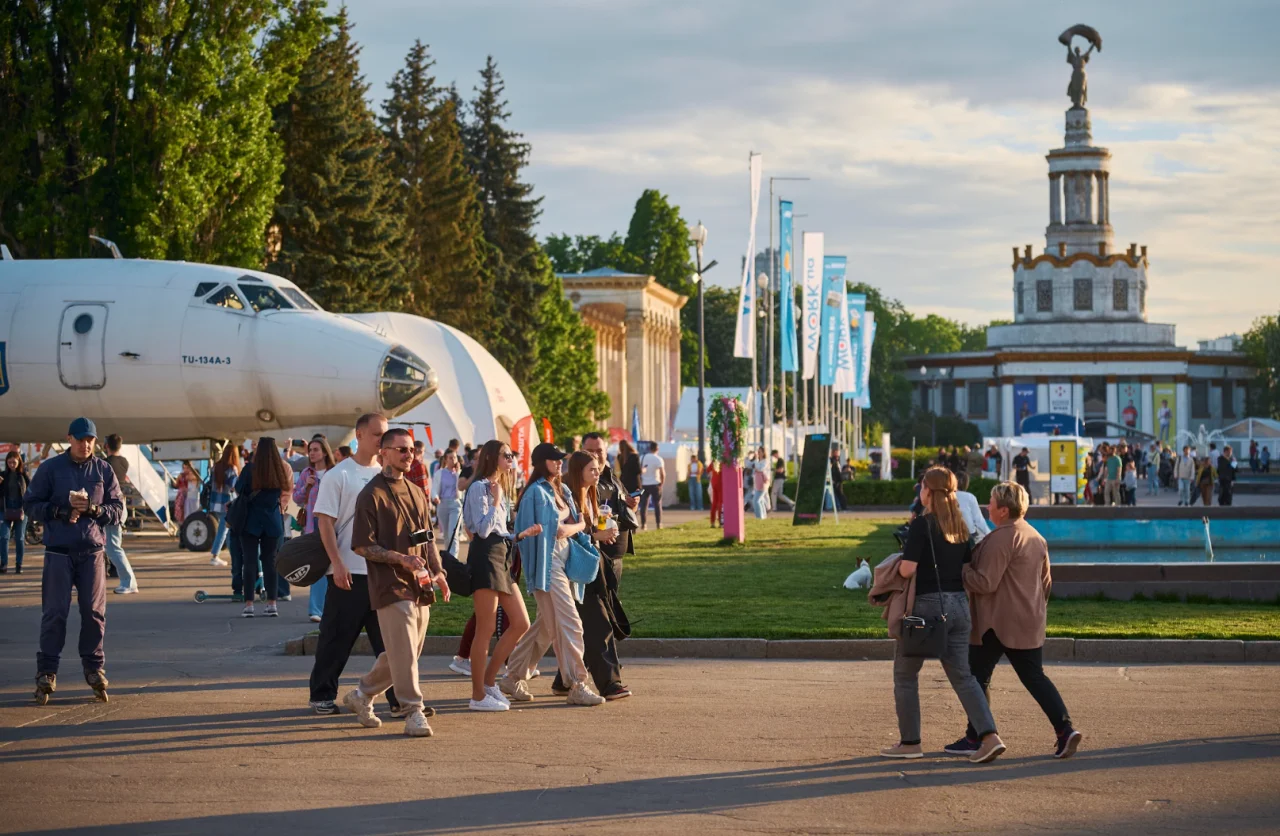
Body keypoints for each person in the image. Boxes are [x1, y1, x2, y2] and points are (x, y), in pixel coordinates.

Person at [946, 481, 1083, 760]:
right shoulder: (1035, 536)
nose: (987, 507)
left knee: (976, 678)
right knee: (1034, 676)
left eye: (992, 503)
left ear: (1004, 510)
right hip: (1028, 620)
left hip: (995, 624)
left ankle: (979, 737)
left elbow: (985, 582)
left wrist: (960, 570)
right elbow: (1046, 583)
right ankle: (1065, 729)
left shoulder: (1001, 538)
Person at [879, 467, 1005, 764]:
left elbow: (909, 569)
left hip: (926, 608)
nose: (919, 491)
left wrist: (893, 568)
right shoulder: (961, 526)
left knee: (906, 675)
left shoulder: (923, 524)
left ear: (929, 491)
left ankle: (910, 742)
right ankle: (989, 737)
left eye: (922, 486)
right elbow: (965, 562)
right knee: (963, 676)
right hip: (959, 607)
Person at [342, 427, 451, 738]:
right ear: (384, 452)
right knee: (403, 649)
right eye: (401, 450)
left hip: (420, 583)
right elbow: (362, 546)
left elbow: (427, 538)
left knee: (405, 652)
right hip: (389, 584)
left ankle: (362, 695)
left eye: (412, 450)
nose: (409, 455)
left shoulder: (417, 492)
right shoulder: (371, 494)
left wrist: (439, 571)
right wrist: (401, 559)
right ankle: (413, 710)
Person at [308, 413, 402, 717]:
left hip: (382, 575)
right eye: (377, 435)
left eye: (385, 435)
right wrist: (336, 564)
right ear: (359, 435)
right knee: (335, 639)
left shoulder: (389, 476)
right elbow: (324, 522)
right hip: (347, 574)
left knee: (392, 646)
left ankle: (402, 700)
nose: (382, 441)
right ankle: (322, 694)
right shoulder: (340, 475)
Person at [26, 417, 124, 704]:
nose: (86, 444)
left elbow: (118, 509)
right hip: (58, 552)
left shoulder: (103, 469)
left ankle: (94, 668)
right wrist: (58, 511)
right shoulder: (51, 469)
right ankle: (47, 672)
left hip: (91, 552)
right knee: (55, 613)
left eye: (90, 439)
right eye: (80, 439)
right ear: (69, 438)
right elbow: (30, 504)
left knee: (94, 613)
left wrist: (94, 509)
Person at [502, 443, 607, 706]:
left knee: (546, 628)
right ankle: (577, 683)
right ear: (541, 462)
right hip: (547, 563)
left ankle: (513, 675)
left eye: (561, 460)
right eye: (554, 460)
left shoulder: (562, 489)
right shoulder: (534, 494)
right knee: (570, 622)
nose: (559, 463)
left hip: (563, 558)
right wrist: (569, 527)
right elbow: (539, 534)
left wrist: (570, 527)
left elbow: (577, 523)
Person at [461, 439, 535, 711]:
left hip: (501, 554)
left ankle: (489, 682)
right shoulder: (480, 487)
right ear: (493, 458)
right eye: (507, 455)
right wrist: (494, 502)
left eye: (512, 455)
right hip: (485, 556)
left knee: (521, 622)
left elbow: (498, 530)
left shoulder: (496, 488)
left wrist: (520, 535)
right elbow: (480, 530)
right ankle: (478, 694)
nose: (511, 459)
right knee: (486, 628)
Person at [565, 432, 636, 700]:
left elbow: (596, 524)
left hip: (595, 566)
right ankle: (610, 683)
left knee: (556, 629)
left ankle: (563, 679)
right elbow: (565, 532)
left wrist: (607, 528)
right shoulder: (569, 495)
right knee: (598, 624)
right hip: (577, 569)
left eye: (599, 466)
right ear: (579, 470)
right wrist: (596, 535)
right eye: (592, 468)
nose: (598, 471)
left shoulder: (596, 490)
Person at [233, 438, 290, 618]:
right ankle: (272, 604)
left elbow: (238, 488)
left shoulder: (250, 468)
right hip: (272, 519)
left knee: (249, 562)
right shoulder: (280, 469)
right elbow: (285, 489)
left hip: (250, 520)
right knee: (271, 562)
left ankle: (249, 604)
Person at [294, 437, 335, 623]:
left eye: (316, 449)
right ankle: (315, 609)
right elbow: (297, 498)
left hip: (333, 523)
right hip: (312, 523)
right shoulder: (306, 473)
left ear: (325, 452)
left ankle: (331, 607)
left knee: (332, 566)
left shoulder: (335, 473)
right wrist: (306, 485)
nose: (312, 453)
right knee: (318, 566)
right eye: (310, 450)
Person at [100, 435, 139, 594]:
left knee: (113, 547)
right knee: (113, 546)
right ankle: (129, 582)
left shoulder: (105, 464)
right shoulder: (124, 462)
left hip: (111, 505)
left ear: (106, 446)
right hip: (121, 504)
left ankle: (128, 582)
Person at [209, 444, 240, 569]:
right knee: (224, 530)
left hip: (215, 503)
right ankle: (215, 556)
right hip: (227, 504)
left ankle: (234, 557)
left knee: (227, 530)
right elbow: (233, 487)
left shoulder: (216, 466)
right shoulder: (232, 469)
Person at [0, 451, 30, 574]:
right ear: (6, 462)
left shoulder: (23, 475)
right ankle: (4, 564)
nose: (12, 464)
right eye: (9, 462)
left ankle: (19, 564)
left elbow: (32, 491)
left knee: (20, 538)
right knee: (4, 537)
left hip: (21, 509)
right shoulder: (2, 475)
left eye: (14, 462)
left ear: (18, 462)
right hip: (5, 509)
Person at [436, 449, 463, 555]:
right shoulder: (440, 473)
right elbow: (435, 488)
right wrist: (435, 496)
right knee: (447, 534)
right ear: (446, 459)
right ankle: (449, 555)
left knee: (453, 532)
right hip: (442, 503)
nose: (453, 460)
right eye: (450, 458)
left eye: (455, 457)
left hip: (455, 504)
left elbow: (461, 489)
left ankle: (453, 557)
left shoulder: (459, 473)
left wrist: (457, 473)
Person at [954, 472, 990, 542]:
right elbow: (978, 519)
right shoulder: (970, 497)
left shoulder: (947, 497)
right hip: (969, 534)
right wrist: (990, 534)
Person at [638, 442, 664, 530]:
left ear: (649, 448)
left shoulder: (642, 457)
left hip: (644, 484)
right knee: (657, 504)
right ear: (657, 449)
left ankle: (643, 524)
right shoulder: (658, 459)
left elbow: (639, 471)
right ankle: (658, 524)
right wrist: (662, 483)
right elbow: (662, 473)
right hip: (655, 484)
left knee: (644, 505)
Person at [709, 459, 723, 527]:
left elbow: (708, 469)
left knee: (714, 503)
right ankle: (720, 521)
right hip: (720, 483)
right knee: (720, 503)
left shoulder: (714, 461)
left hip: (714, 483)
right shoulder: (722, 461)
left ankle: (712, 522)